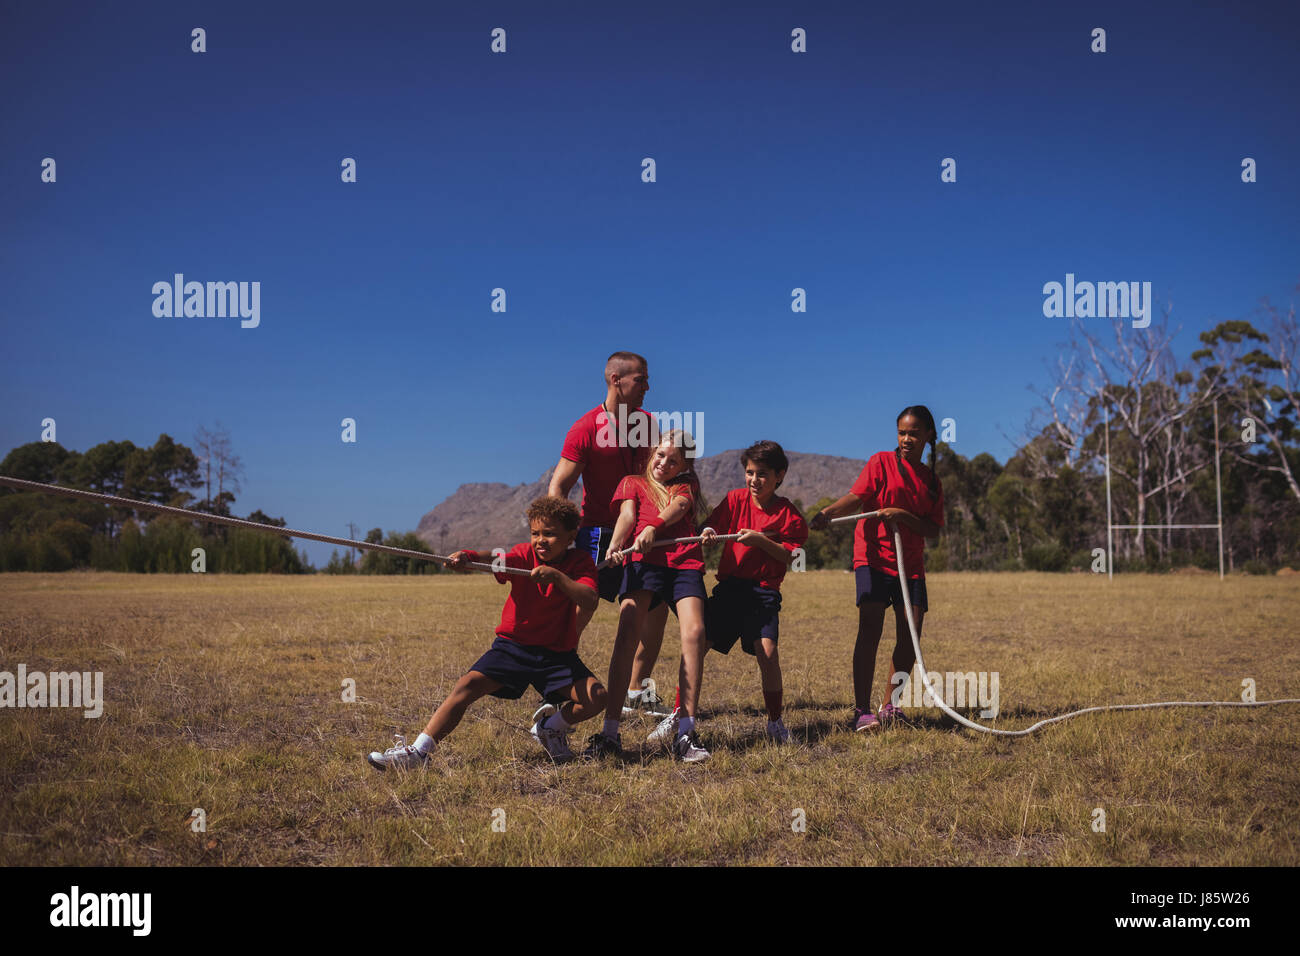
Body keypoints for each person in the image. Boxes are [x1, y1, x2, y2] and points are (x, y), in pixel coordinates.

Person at [366, 496, 607, 769]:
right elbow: (497, 558)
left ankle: (551, 727)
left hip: (556, 655)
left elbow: (589, 599)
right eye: (535, 533)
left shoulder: (580, 563)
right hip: (513, 647)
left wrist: (557, 577)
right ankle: (419, 753)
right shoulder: (524, 555)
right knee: (466, 686)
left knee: (597, 697)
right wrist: (468, 558)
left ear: (572, 535)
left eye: (549, 534)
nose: (540, 540)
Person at [548, 351, 672, 717]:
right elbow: (560, 485)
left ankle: (637, 692)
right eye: (641, 380)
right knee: (578, 610)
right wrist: (561, 536)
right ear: (616, 380)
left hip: (645, 533)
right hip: (598, 534)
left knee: (655, 612)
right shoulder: (585, 428)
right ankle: (555, 684)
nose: (648, 387)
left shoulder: (649, 425)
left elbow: (660, 475)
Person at [809, 406, 944, 732]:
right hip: (872, 558)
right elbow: (856, 498)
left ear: (928, 436)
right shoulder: (881, 462)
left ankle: (890, 707)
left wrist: (901, 514)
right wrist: (828, 512)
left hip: (909, 565)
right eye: (901, 433)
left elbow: (933, 530)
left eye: (913, 433)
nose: (906, 439)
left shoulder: (931, 481)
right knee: (870, 628)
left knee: (910, 637)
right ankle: (861, 711)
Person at [588, 430, 711, 761]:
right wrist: (616, 546)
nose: (664, 464)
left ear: (683, 465)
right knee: (627, 634)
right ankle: (610, 732)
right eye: (660, 456)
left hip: (684, 561)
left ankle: (685, 732)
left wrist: (653, 527)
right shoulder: (631, 482)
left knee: (695, 633)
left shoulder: (685, 486)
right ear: (651, 453)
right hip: (642, 562)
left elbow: (680, 507)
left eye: (673, 461)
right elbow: (627, 515)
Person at [696, 441, 808, 743]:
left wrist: (761, 541)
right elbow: (711, 527)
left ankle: (775, 722)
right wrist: (707, 533)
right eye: (749, 473)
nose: (754, 480)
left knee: (767, 653)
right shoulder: (734, 500)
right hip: (730, 589)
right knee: (697, 647)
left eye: (762, 474)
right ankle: (682, 716)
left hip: (763, 592)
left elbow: (796, 558)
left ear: (779, 475)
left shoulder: (788, 514)